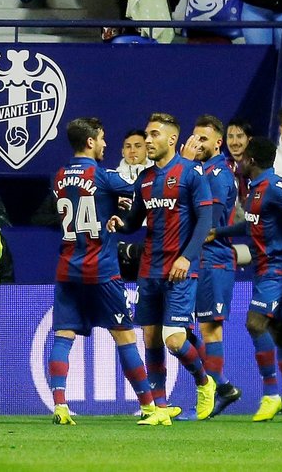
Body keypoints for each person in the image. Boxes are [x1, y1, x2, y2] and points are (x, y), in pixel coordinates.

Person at [47, 117, 159, 425]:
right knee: (124, 336)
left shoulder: (58, 177)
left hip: (68, 267)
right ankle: (149, 405)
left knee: (63, 335)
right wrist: (123, 204)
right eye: (102, 138)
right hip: (101, 269)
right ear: (90, 142)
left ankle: (60, 405)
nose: (106, 144)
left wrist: (116, 207)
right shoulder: (105, 176)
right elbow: (140, 188)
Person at [107, 112, 217, 422]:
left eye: (154, 134)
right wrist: (121, 223)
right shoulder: (145, 179)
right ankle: (159, 407)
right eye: (146, 134)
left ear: (171, 139)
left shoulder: (192, 174)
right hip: (148, 270)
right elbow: (134, 220)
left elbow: (205, 221)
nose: (147, 140)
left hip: (180, 269)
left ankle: (204, 382)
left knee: (174, 339)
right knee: (151, 339)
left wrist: (187, 257)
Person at [211, 136, 282, 423]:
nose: (239, 160)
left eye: (243, 156)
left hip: (278, 269)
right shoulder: (255, 190)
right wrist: (218, 232)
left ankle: (271, 395)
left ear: (252, 161)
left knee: (255, 323)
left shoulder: (276, 187)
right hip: (264, 269)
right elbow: (249, 225)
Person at [179, 115, 242, 416]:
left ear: (218, 142)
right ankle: (223, 386)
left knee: (209, 329)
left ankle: (211, 399)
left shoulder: (218, 174)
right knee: (181, 329)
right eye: (194, 137)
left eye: (203, 139)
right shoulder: (199, 169)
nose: (196, 143)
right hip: (193, 258)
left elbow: (209, 222)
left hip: (213, 259)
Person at [224, 117, 251, 209]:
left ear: (249, 139)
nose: (234, 142)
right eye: (230, 137)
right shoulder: (222, 168)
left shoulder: (258, 168)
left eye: (239, 136)